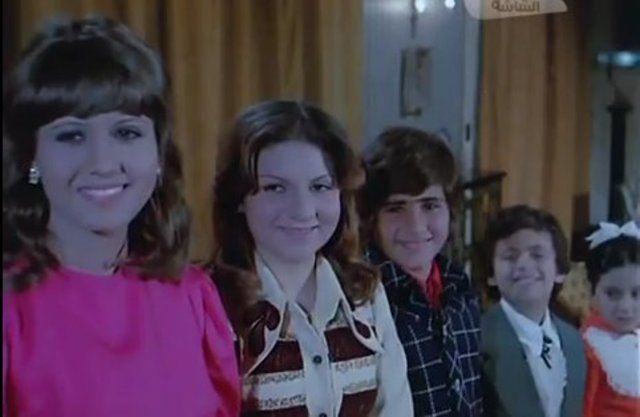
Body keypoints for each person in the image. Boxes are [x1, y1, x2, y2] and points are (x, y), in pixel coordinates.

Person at [2, 16, 240, 417]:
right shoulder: (11, 309)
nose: (102, 163)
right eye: (71, 135)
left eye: (126, 133)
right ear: (31, 157)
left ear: (159, 153)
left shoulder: (193, 294)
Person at [210, 99, 413, 416]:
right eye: (275, 188)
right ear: (238, 198)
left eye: (320, 186)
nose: (302, 209)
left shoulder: (365, 294)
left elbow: (396, 408)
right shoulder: (209, 302)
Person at [357, 127, 482, 417]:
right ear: (371, 218)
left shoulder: (461, 289)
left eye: (430, 205)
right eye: (395, 208)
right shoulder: (362, 300)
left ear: (450, 210)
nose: (415, 225)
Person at [481, 205, 586, 417]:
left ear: (559, 271)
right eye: (510, 256)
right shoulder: (477, 340)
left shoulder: (575, 340)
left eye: (537, 255)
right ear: (491, 275)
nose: (523, 264)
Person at [581, 221, 640, 417]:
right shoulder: (590, 346)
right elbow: (583, 408)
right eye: (612, 294)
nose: (625, 307)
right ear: (592, 292)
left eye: (636, 294)